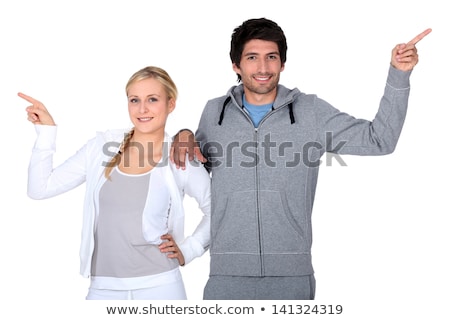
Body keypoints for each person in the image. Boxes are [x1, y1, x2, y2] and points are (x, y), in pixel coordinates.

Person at [170, 18, 432, 300]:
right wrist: (182, 133)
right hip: (226, 275)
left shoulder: (310, 111)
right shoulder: (214, 113)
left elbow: (379, 140)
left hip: (291, 276)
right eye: (252, 58)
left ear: (282, 63)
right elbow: (196, 168)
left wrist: (399, 75)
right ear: (236, 65)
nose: (262, 67)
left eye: (271, 57)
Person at [21, 66, 211, 300]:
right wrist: (46, 131)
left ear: (170, 104)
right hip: (103, 288)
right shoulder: (102, 146)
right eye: (134, 100)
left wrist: (188, 250)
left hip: (161, 286)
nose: (142, 109)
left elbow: (217, 210)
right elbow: (40, 189)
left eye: (152, 99)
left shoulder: (179, 156)